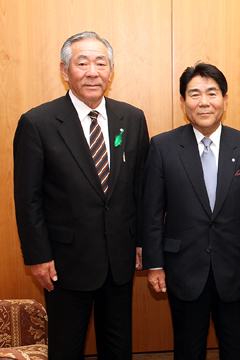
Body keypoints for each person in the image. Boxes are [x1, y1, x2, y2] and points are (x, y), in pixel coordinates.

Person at [13, 31, 149, 359]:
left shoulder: (131, 118)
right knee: (66, 348)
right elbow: (27, 197)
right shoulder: (38, 123)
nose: (93, 71)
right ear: (65, 70)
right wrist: (37, 256)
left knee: (118, 349)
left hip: (119, 259)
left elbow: (141, 189)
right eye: (82, 62)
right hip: (64, 263)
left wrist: (143, 242)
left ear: (110, 71)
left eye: (101, 63)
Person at [143, 62, 240, 360]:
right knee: (187, 350)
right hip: (182, 269)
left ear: (225, 99)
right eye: (194, 94)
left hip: (237, 270)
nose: (204, 102)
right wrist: (155, 264)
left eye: (212, 93)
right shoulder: (163, 147)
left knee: (236, 349)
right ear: (183, 102)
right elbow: (151, 212)